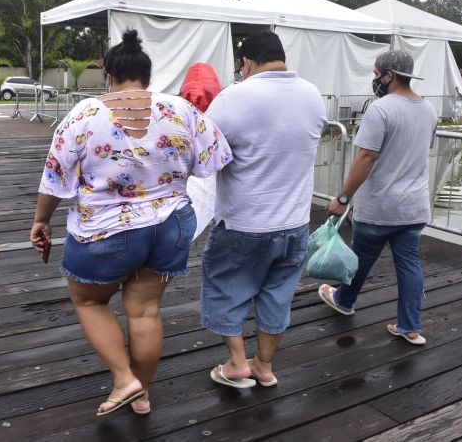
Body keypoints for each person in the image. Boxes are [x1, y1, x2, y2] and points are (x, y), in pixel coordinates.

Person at [30, 30, 232, 416]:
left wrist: (41, 220)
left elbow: (55, 178)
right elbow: (215, 160)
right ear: (147, 76)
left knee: (89, 300)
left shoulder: (84, 114)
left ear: (108, 76)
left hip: (105, 230)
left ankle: (125, 379)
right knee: (144, 310)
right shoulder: (181, 109)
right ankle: (142, 395)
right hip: (172, 225)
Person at [201, 30, 327, 388]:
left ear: (246, 62)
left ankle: (238, 363)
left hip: (244, 223)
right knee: (277, 296)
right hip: (295, 223)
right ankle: (264, 365)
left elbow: (205, 155)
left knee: (226, 288)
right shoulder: (313, 95)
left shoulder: (234, 97)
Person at [320, 49, 437, 346]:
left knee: (360, 257)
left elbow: (367, 157)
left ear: (389, 75)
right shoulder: (429, 109)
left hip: (380, 205)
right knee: (409, 265)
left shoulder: (380, 109)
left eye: (376, 74)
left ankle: (344, 300)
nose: (374, 79)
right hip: (414, 207)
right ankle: (410, 327)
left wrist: (343, 199)